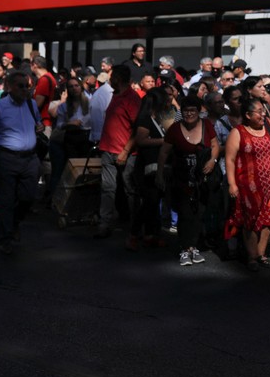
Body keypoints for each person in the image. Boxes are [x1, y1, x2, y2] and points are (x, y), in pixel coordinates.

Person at [0, 71, 42, 254]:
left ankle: (14, 222)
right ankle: (5, 238)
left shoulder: (31, 105)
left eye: (27, 86)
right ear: (9, 86)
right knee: (6, 201)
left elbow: (37, 123)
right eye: (20, 86)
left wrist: (40, 127)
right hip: (7, 158)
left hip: (30, 158)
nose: (25, 90)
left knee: (28, 197)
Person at [157, 95, 220, 266]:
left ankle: (194, 247)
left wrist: (212, 161)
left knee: (199, 213)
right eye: (185, 110)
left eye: (192, 110)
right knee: (185, 213)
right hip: (182, 178)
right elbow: (163, 152)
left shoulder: (207, 125)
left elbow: (215, 146)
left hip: (202, 179)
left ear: (199, 111)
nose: (189, 113)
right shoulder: (175, 129)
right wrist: (159, 173)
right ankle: (185, 248)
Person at [225, 98, 270, 271]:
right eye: (259, 111)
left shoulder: (268, 126)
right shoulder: (238, 132)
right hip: (247, 186)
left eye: (263, 110)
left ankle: (261, 254)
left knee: (267, 220)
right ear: (248, 115)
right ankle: (251, 257)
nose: (263, 114)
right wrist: (231, 184)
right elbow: (230, 159)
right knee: (250, 221)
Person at [94, 65, 141, 240]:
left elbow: (138, 128)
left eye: (111, 77)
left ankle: (135, 228)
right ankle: (104, 224)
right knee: (107, 189)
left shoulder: (132, 98)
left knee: (130, 190)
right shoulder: (115, 95)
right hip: (108, 149)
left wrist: (126, 150)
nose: (109, 80)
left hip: (125, 153)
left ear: (118, 79)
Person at [127, 88, 171, 251]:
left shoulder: (158, 119)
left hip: (157, 165)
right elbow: (141, 140)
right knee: (149, 201)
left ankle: (151, 235)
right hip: (145, 166)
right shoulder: (145, 119)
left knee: (154, 201)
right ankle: (134, 234)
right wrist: (163, 140)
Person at [31, 57, 57, 136]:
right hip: (45, 122)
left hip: (43, 124)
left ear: (35, 65)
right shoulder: (49, 77)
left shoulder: (44, 80)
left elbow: (38, 104)